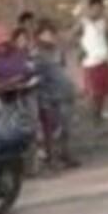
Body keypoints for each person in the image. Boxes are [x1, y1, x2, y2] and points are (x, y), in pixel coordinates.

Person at [30, 21, 80, 168]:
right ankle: (51, 158)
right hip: (48, 95)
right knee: (51, 130)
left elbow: (64, 69)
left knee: (66, 127)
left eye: (52, 34)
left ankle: (65, 154)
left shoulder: (58, 51)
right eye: (46, 34)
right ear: (39, 36)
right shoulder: (36, 53)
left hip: (64, 92)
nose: (50, 37)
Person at [73, 0, 108, 123]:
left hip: (103, 60)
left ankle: (99, 113)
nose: (98, 10)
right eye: (95, 8)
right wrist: (81, 49)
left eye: (100, 8)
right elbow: (72, 36)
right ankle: (94, 116)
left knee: (104, 90)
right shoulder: (83, 22)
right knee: (95, 91)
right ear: (90, 8)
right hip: (90, 62)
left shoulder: (104, 22)